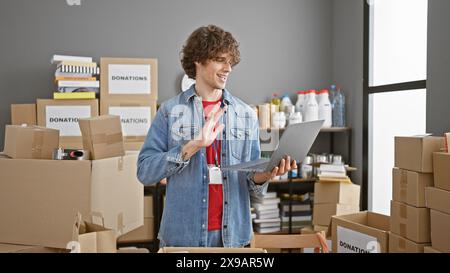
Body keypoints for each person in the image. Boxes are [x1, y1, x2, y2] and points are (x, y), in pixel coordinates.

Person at [137, 24, 297, 248]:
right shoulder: (169, 111)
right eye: (221, 60)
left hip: (232, 238)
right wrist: (193, 145)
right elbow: (144, 171)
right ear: (199, 60)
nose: (228, 68)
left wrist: (266, 174)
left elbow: (251, 185)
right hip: (183, 237)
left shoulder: (245, 114)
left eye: (231, 62)